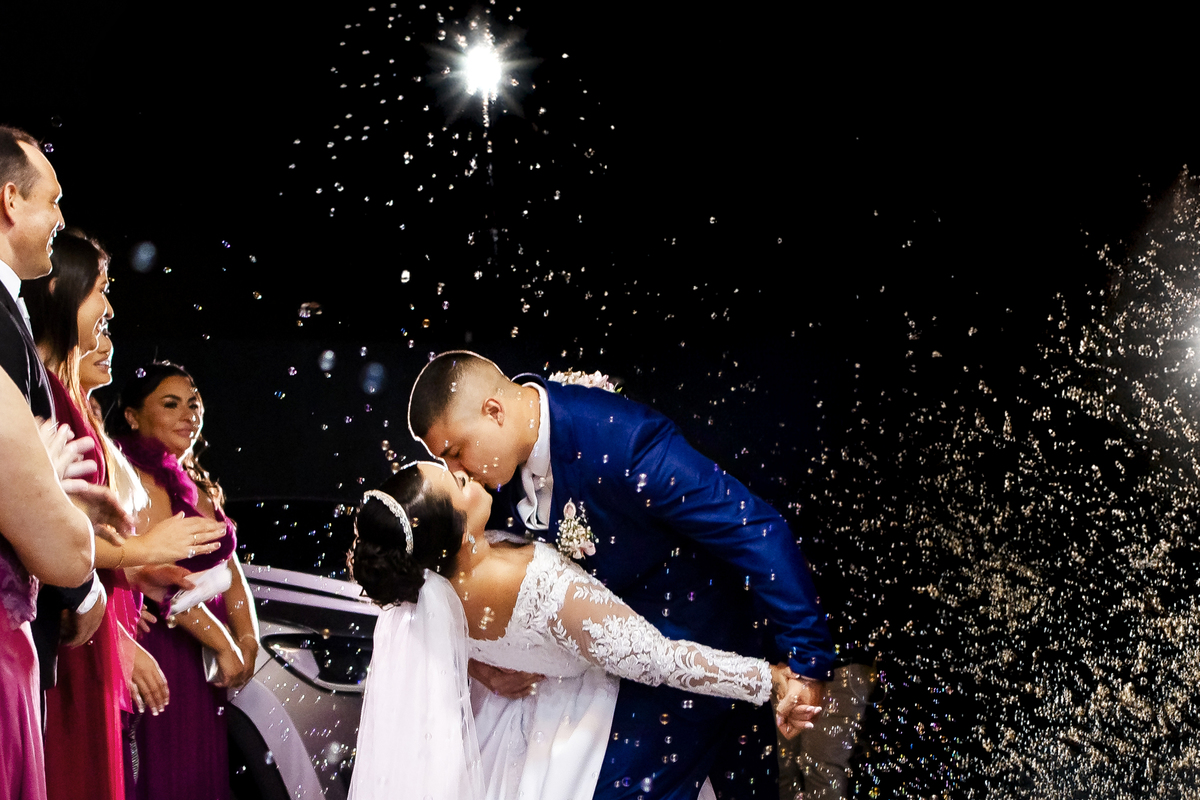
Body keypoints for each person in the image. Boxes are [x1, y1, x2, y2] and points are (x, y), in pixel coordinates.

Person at [409, 352, 835, 798]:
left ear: (493, 412)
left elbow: (753, 529)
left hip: (693, 651)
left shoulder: (622, 441)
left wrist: (808, 661)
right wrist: (478, 665)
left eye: (455, 453)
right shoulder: (485, 479)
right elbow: (403, 551)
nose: (455, 472)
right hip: (605, 679)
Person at [347, 462, 817, 800]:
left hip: (513, 727)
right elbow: (658, 659)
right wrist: (767, 680)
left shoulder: (432, 590)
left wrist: (477, 666)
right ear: (462, 534)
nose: (464, 468)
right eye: (459, 482)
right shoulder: (540, 589)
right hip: (579, 731)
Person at [110, 362, 258, 800]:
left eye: (194, 403)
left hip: (203, 660)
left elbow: (230, 572)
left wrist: (248, 638)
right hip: (167, 648)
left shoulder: (199, 483)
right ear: (134, 416)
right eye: (170, 404)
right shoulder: (135, 479)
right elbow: (162, 583)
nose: (188, 414)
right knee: (169, 774)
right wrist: (224, 644)